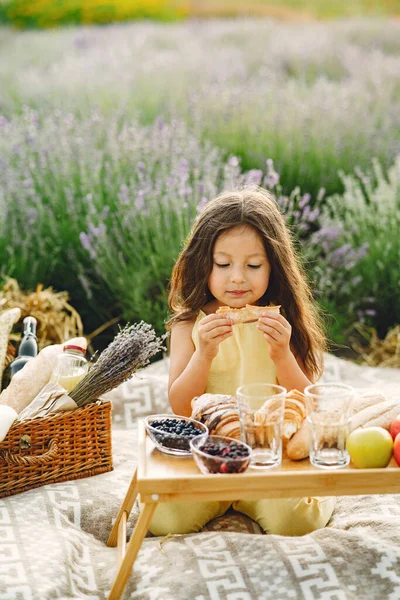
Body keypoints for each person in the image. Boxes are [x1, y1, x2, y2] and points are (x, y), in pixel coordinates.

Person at [148, 186, 335, 536]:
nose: (237, 277)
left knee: (295, 521)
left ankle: (249, 508)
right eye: (223, 264)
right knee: (164, 520)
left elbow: (309, 400)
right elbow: (179, 406)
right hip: (207, 456)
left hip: (269, 458)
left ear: (273, 267)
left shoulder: (281, 321)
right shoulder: (190, 325)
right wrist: (203, 354)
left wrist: (281, 353)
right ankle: (231, 507)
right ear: (204, 264)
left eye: (253, 265)